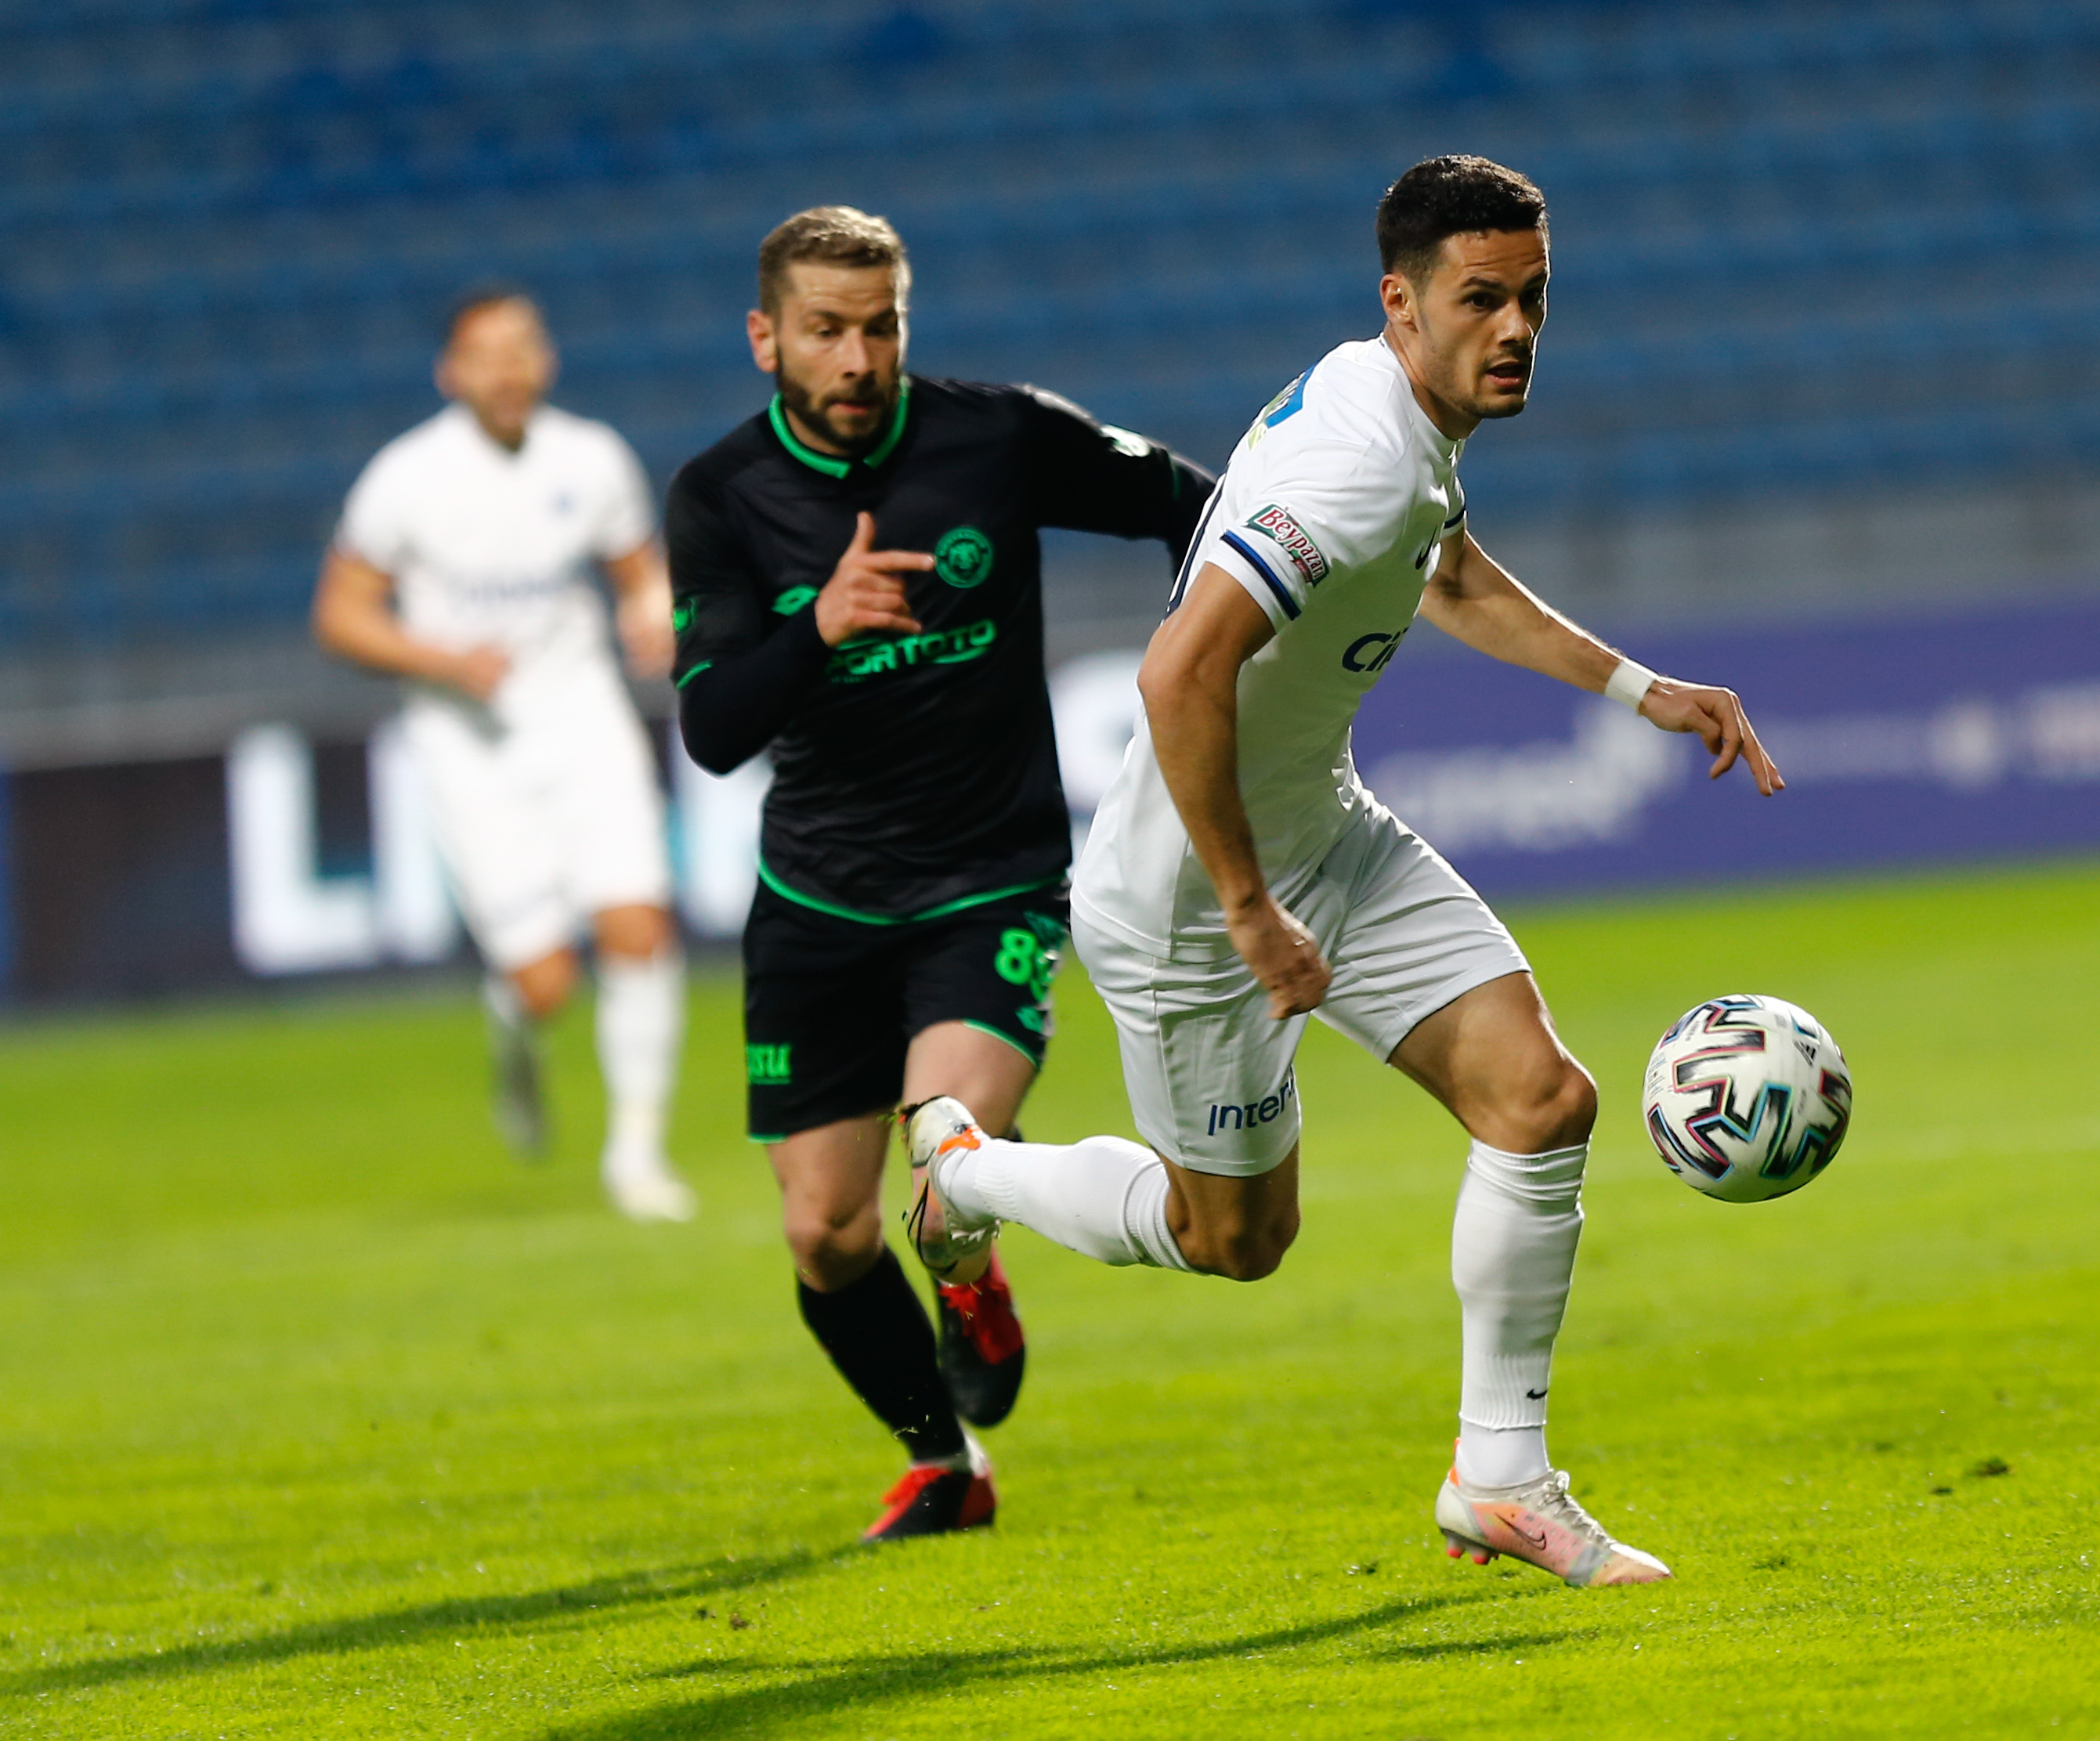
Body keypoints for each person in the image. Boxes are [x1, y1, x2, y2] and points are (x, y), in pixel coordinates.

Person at [899, 155, 1787, 1587]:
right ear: (1401, 302)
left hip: (1324, 830)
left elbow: (1449, 573)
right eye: (1481, 299)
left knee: (1540, 1098)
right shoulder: (1356, 460)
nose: (1515, 328)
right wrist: (1248, 908)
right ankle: (968, 1168)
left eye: (1533, 298)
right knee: (1231, 1238)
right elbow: (1177, 671)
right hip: (1192, 903)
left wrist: (1640, 688)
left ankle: (1500, 1479)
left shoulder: (1401, 419)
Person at [665, 207, 1214, 1542]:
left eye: (879, 327)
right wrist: (817, 625)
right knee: (825, 1232)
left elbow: (1194, 505)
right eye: (824, 331)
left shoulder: (995, 435)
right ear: (766, 338)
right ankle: (944, 1461)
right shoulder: (719, 495)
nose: (856, 359)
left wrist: (1207, 651)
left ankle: (969, 1273)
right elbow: (714, 727)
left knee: (943, 1163)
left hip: (988, 884)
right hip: (816, 904)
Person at [313, 290, 697, 1223]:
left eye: (522, 346)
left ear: (546, 359)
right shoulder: (406, 478)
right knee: (544, 980)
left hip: (584, 718)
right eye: (486, 352)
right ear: (451, 372)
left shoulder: (591, 459)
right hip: (469, 745)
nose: (508, 367)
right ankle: (516, 1032)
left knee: (638, 924)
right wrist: (442, 660)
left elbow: (638, 572)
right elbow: (341, 615)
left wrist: (651, 614)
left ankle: (637, 1156)